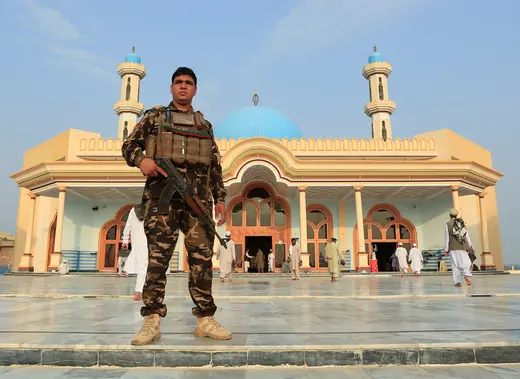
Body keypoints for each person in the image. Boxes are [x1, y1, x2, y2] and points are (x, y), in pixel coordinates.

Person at [122, 66, 231, 345]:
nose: (183, 86)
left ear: (195, 89)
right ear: (172, 88)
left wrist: (219, 199)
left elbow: (215, 165)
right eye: (178, 82)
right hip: (163, 201)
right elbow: (129, 145)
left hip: (198, 203)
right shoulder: (155, 117)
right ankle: (152, 321)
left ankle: (205, 319)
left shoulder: (204, 126)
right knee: (158, 261)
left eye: (189, 83)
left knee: (202, 262)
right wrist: (141, 160)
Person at [122, 205, 149, 300]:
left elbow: (128, 225)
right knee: (144, 267)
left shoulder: (134, 209)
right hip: (148, 241)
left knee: (143, 266)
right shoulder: (155, 207)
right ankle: (138, 291)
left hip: (138, 242)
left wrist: (125, 240)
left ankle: (140, 291)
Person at [444, 208, 474, 287]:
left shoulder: (448, 224)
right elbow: (467, 236)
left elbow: (447, 238)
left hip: (453, 248)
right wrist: (470, 246)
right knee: (465, 262)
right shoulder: (461, 223)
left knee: (455, 265)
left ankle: (457, 282)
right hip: (463, 247)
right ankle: (466, 275)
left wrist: (446, 249)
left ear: (450, 216)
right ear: (456, 215)